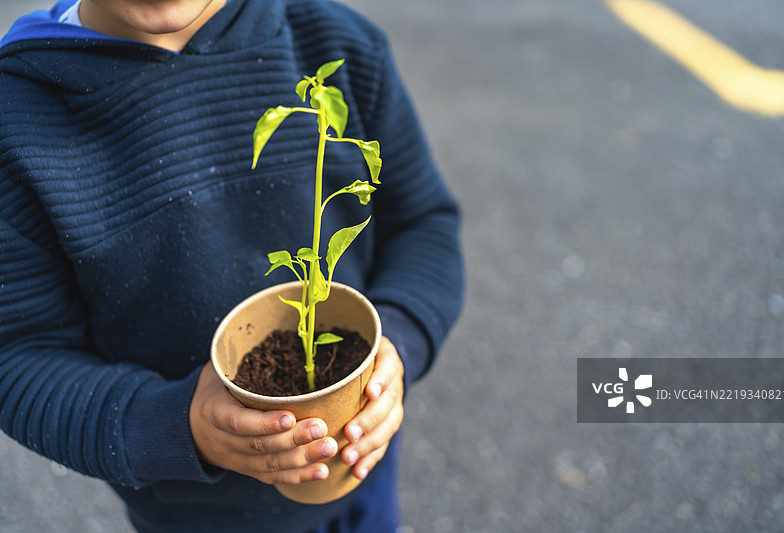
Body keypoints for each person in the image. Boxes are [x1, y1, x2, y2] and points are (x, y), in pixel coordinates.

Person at [0, 1, 464, 532]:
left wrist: (396, 343)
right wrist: (178, 422)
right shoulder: (17, 116)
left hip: (359, 461)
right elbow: (17, 354)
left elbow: (422, 223)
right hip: (198, 513)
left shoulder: (334, 40)